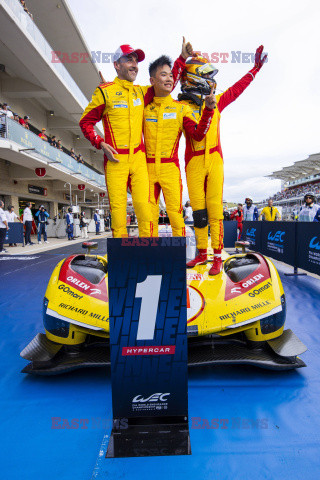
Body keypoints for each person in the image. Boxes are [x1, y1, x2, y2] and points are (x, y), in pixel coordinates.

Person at [79, 39, 192, 238]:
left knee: (146, 211)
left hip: (139, 160)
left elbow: (165, 83)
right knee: (119, 214)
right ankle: (124, 264)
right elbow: (85, 122)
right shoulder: (105, 92)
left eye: (136, 61)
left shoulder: (141, 92)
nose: (134, 65)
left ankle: (148, 257)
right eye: (129, 60)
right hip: (116, 160)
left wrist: (182, 58)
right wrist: (100, 143)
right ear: (116, 65)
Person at [180, 45, 267, 274]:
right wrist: (208, 110)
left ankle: (217, 256)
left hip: (215, 161)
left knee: (215, 211)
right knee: (198, 212)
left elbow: (237, 89)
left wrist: (255, 68)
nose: (211, 79)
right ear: (194, 78)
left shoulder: (217, 101)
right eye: (207, 75)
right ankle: (201, 253)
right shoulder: (182, 108)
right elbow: (197, 134)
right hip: (194, 162)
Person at [144, 55, 215, 237]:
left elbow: (198, 135)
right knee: (148, 218)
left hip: (170, 168)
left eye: (170, 75)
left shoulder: (181, 108)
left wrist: (208, 110)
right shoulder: (143, 108)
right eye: (163, 75)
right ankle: (148, 261)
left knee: (176, 217)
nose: (168, 79)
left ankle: (176, 262)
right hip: (147, 168)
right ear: (152, 80)